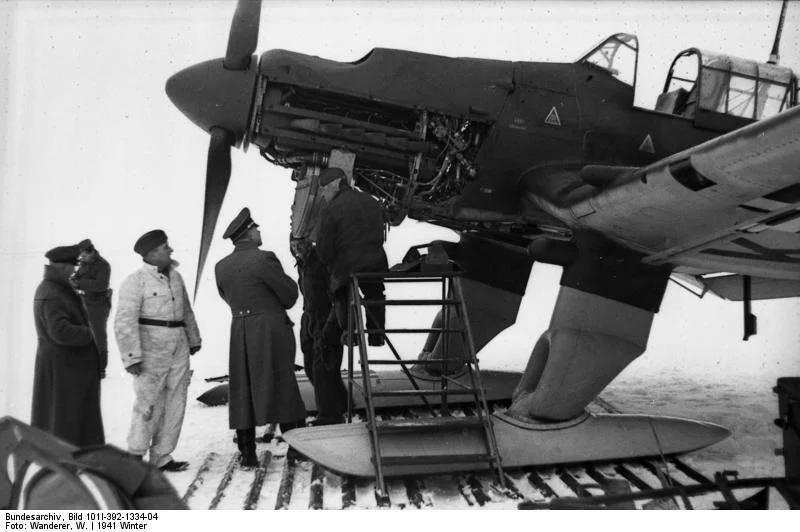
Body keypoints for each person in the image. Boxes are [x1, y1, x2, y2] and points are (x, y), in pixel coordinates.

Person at [215, 208, 306, 467]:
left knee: (243, 387)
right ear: (248, 234)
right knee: (283, 384)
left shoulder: (221, 267)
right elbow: (289, 296)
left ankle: (247, 452)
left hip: (240, 331)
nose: (259, 232)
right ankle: (297, 448)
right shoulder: (265, 259)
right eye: (256, 229)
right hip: (271, 331)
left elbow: (226, 296)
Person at [114, 230, 201, 472]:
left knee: (176, 402)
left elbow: (186, 311)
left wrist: (193, 339)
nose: (170, 250)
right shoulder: (135, 281)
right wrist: (131, 356)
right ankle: (135, 456)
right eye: (165, 247)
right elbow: (124, 320)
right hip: (151, 349)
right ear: (152, 254)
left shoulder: (176, 278)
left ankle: (162, 457)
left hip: (178, 346)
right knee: (148, 404)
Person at [313, 167, 389, 425]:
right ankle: (377, 334)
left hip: (348, 265)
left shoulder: (331, 210)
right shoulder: (371, 200)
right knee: (375, 291)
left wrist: (332, 263)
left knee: (340, 294)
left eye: (324, 187)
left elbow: (323, 248)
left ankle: (351, 334)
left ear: (336, 183)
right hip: (377, 260)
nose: (323, 193)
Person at [31, 244, 104, 447]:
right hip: (64, 367)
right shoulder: (53, 292)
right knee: (65, 416)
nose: (75, 269)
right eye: (72, 265)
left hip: (66, 366)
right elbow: (60, 332)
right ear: (60, 266)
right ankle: (66, 458)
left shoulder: (55, 287)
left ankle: (70, 455)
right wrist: (89, 333)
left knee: (63, 415)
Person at [292, 237, 337, 420]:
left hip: (324, 316)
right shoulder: (302, 264)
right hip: (309, 316)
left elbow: (335, 291)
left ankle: (329, 415)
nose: (296, 248)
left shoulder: (321, 262)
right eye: (293, 244)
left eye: (300, 243)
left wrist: (331, 322)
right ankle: (338, 403)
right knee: (311, 366)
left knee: (323, 368)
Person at [71, 239, 112, 379]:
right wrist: (73, 281)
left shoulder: (103, 265)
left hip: (98, 304)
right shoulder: (84, 263)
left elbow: (101, 285)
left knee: (98, 336)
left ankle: (101, 368)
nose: (81, 259)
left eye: (83, 255)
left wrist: (79, 284)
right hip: (84, 302)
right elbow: (77, 277)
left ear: (91, 252)